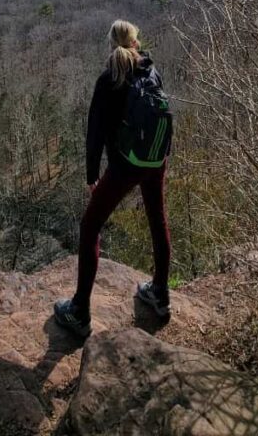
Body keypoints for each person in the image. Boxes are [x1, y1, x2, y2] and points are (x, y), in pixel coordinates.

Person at [54, 19, 172, 338]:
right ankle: (160, 293)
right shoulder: (151, 70)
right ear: (136, 41)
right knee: (157, 218)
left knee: (90, 227)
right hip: (155, 160)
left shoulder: (109, 79)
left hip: (124, 166)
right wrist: (162, 156)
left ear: (111, 44)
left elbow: (95, 133)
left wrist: (92, 174)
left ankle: (80, 312)